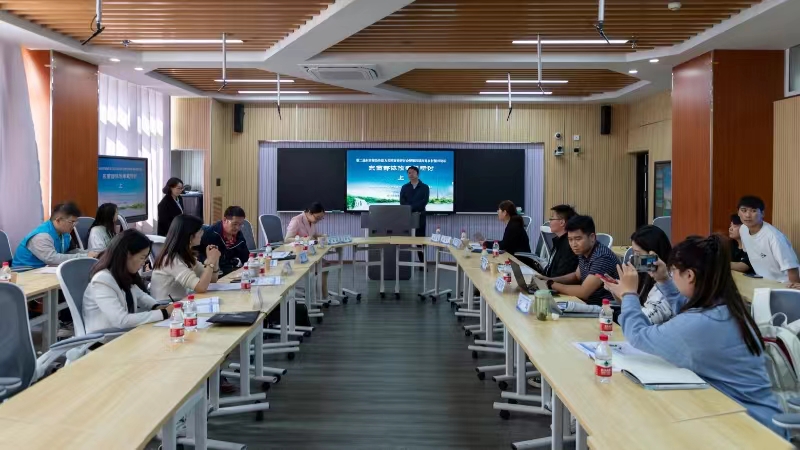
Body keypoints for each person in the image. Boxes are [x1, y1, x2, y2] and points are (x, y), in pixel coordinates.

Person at [605, 235, 784, 436]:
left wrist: (629, 294)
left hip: (751, 428)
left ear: (689, 275)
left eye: (673, 272)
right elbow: (687, 309)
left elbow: (638, 335)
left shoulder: (700, 323)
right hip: (750, 415)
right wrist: (663, 279)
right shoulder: (724, 305)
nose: (672, 276)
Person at [83, 229, 174, 333]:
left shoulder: (122, 275)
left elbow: (140, 296)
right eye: (142, 257)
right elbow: (121, 320)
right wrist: (164, 313)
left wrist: (157, 306)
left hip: (123, 334)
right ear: (127, 254)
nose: (144, 263)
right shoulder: (102, 280)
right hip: (105, 339)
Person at [540, 215, 618, 305]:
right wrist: (549, 279)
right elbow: (576, 276)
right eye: (570, 239)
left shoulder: (602, 258)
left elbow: (584, 292)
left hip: (603, 309)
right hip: (586, 304)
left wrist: (550, 284)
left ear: (592, 237)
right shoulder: (584, 251)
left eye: (578, 239)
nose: (574, 244)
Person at [151, 214, 220, 300]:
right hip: (167, 305)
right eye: (199, 231)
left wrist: (215, 260)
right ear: (190, 237)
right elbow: (201, 287)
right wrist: (210, 262)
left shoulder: (185, 256)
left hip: (180, 303)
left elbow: (211, 281)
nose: (202, 234)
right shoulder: (171, 260)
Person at [13, 202, 98, 269]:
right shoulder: (42, 236)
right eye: (71, 222)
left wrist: (91, 253)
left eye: (75, 222)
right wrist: (84, 256)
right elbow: (52, 259)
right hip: (26, 272)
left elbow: (71, 251)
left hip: (45, 270)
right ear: (58, 220)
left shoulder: (65, 234)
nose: (74, 225)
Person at [737, 195, 799, 283]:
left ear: (762, 214)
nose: (747, 215)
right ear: (738, 213)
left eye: (754, 211)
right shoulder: (743, 229)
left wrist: (793, 289)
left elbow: (792, 267)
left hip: (783, 283)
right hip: (762, 281)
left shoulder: (773, 236)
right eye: (744, 210)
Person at [629, 225, 673, 325]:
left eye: (637, 254)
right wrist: (616, 290)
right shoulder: (645, 272)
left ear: (653, 255)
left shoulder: (668, 282)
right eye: (633, 253)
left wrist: (627, 293)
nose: (634, 258)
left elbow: (642, 320)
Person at [286, 202, 331, 298]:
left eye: (321, 218)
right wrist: (303, 239)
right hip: (298, 254)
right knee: (323, 264)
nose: (318, 220)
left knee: (325, 264)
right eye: (317, 218)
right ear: (310, 212)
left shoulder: (311, 221)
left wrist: (321, 235)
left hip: (308, 252)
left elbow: (312, 235)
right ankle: (323, 295)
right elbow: (287, 239)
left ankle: (321, 294)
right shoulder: (296, 220)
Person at [198, 206, 250, 276]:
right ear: (225, 220)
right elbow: (197, 255)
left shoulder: (238, 236)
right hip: (213, 274)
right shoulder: (210, 234)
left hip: (232, 273)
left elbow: (246, 258)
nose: (237, 228)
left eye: (240, 225)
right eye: (234, 224)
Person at [399, 166, 429, 268]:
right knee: (405, 239)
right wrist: (409, 209)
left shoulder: (425, 187)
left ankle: (422, 264)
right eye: (409, 173)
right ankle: (404, 265)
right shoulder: (404, 187)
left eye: (412, 172)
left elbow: (424, 201)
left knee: (420, 240)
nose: (410, 174)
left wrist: (411, 208)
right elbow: (402, 202)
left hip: (420, 216)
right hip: (407, 216)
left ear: (417, 174)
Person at [541, 204, 579, 278]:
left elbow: (561, 273)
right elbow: (550, 268)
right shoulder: (558, 241)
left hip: (556, 283)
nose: (549, 221)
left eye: (552, 218)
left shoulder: (569, 245)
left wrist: (546, 280)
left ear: (562, 222)